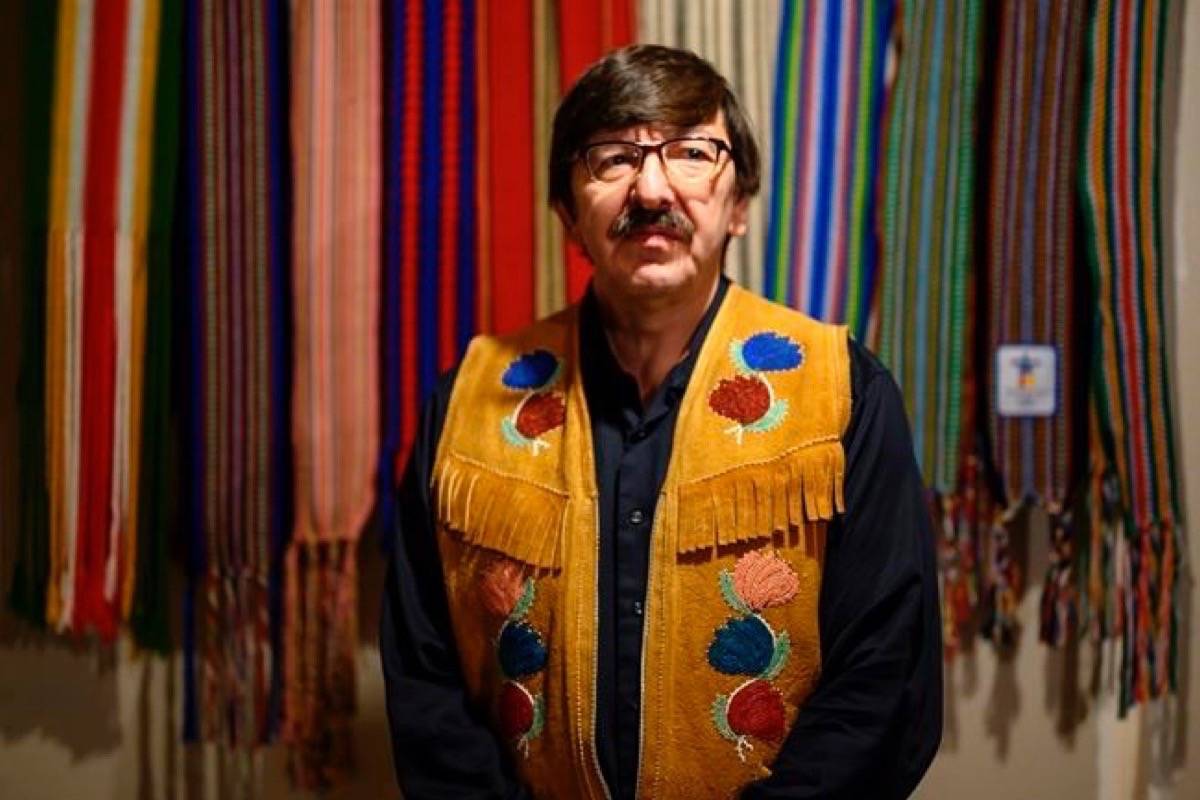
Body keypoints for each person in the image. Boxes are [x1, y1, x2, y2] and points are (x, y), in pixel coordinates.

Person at [381, 44, 942, 799]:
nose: (651, 188)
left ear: (739, 204)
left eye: (689, 152)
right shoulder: (470, 400)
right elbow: (425, 675)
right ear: (568, 215)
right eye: (612, 159)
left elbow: (884, 678)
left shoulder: (843, 392)